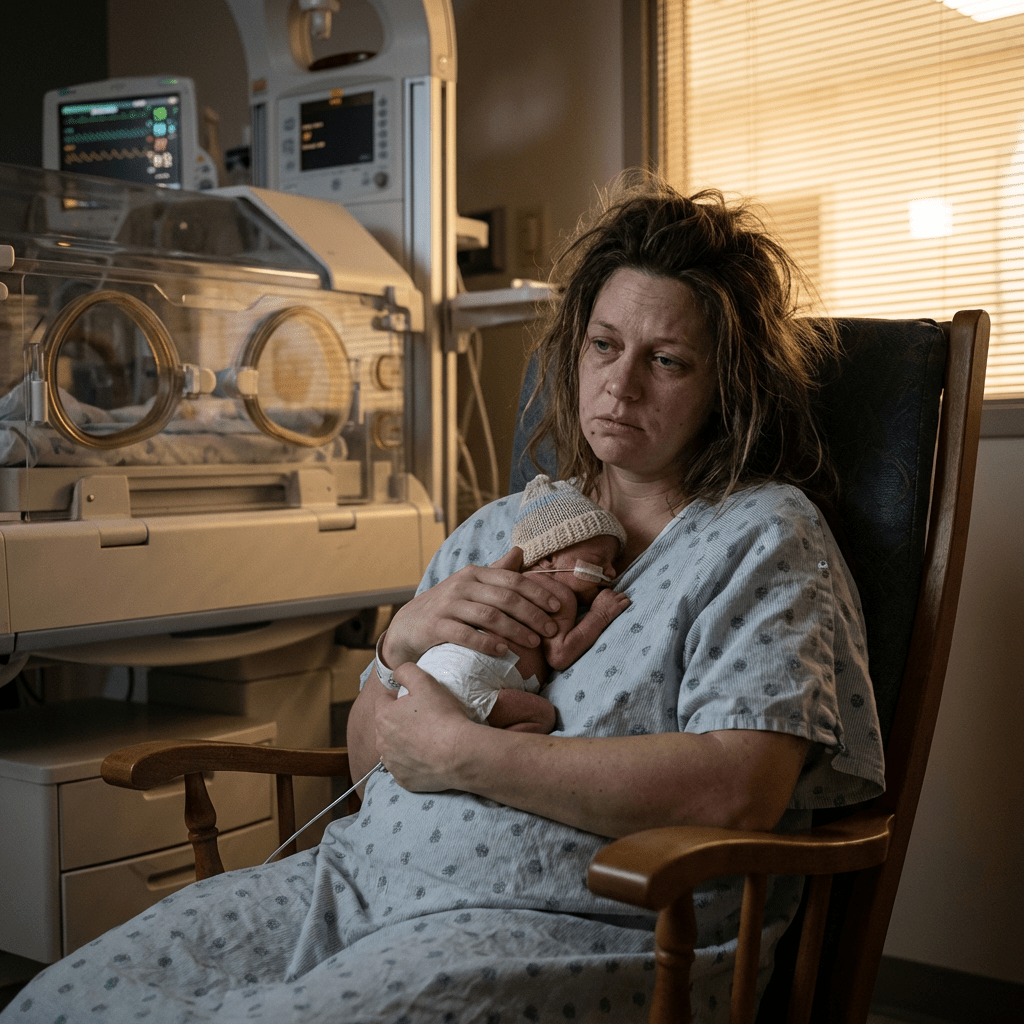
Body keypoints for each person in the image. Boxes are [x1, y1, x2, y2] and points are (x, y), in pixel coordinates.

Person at [3, 177, 885, 1024]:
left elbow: (738, 794)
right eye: (604, 346)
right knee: (59, 1002)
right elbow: (364, 769)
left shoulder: (761, 537)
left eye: (668, 361)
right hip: (353, 884)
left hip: (578, 931)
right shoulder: (507, 525)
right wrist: (399, 646)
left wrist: (469, 756)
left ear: (726, 384)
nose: (620, 387)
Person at [389, 473, 631, 734]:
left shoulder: (500, 583)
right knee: (544, 715)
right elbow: (560, 654)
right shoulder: (556, 595)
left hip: (420, 686)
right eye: (599, 560)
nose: (611, 572)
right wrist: (600, 614)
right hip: (470, 689)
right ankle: (487, 759)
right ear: (548, 558)